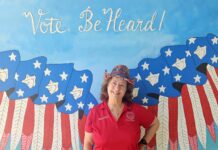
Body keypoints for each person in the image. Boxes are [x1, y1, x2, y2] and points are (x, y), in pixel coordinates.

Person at [84, 65, 159, 150]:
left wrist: (142, 144)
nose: (117, 88)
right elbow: (88, 142)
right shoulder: (94, 113)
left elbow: (155, 124)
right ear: (107, 85)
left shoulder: (136, 110)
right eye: (114, 83)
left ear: (126, 90)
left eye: (121, 85)